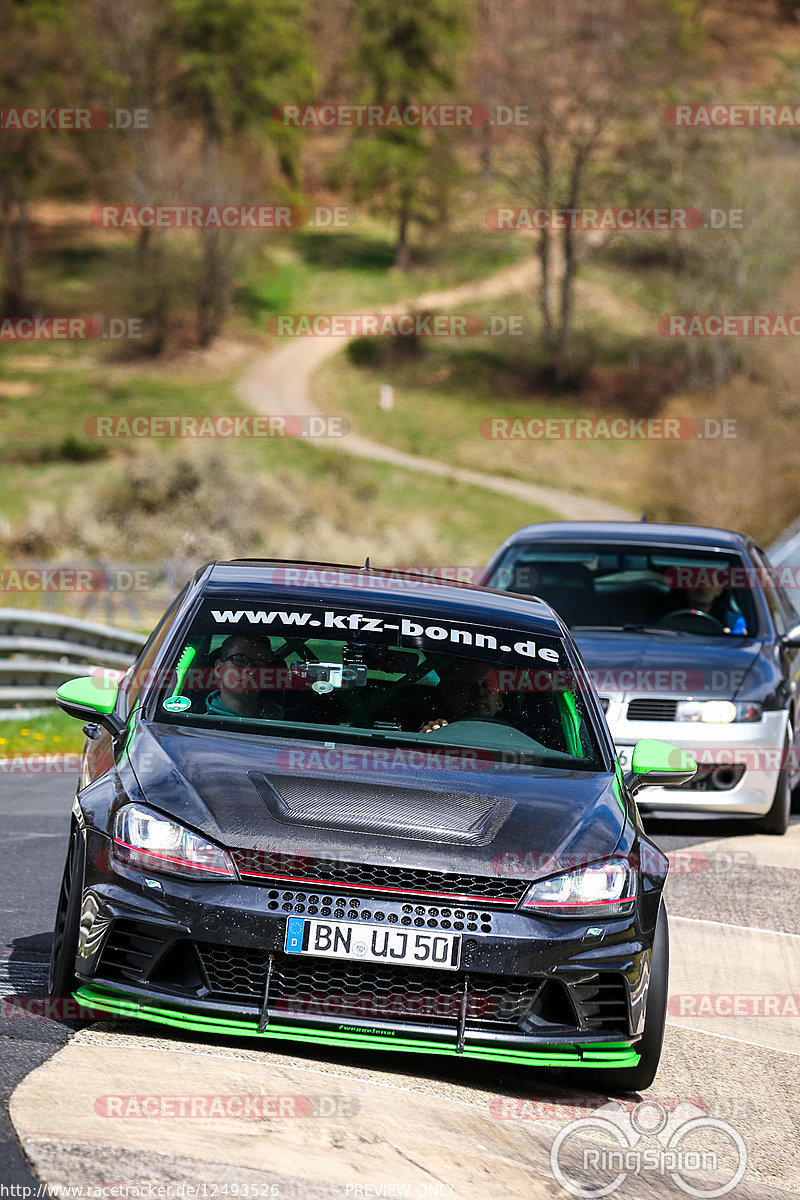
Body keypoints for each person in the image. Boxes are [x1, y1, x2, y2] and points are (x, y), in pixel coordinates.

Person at [206, 635, 283, 719]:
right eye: (239, 660)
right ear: (219, 669)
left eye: (260, 663)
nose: (249, 669)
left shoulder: (287, 721)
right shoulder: (197, 720)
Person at [419, 659, 503, 733]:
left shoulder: (514, 742)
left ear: (499, 699)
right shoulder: (438, 732)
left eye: (488, 686)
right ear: (447, 696)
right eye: (470, 686)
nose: (480, 693)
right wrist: (427, 738)